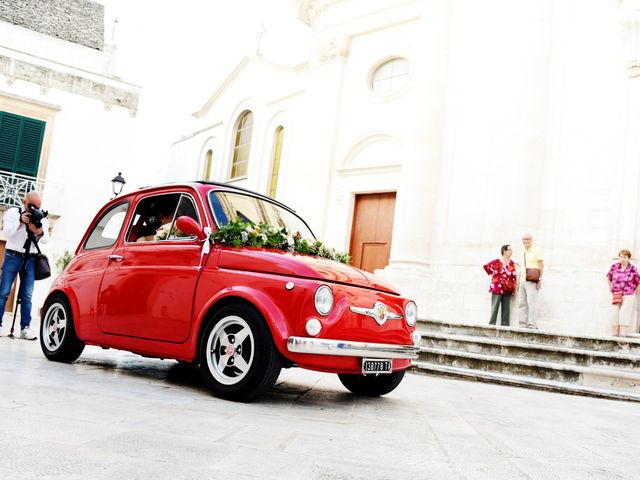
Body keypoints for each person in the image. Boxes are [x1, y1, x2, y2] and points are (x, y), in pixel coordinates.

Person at [0, 191, 49, 339]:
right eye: (32, 205)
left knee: (27, 295)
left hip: (31, 258)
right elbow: (7, 233)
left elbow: (46, 240)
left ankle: (25, 328)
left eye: (38, 206)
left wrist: (39, 232)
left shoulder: (41, 217)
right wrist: (20, 221)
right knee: (3, 292)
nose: (34, 209)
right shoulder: (13, 213)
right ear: (24, 201)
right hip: (12, 255)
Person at [607, 249, 640, 336]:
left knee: (625, 312)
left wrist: (635, 292)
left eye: (624, 257)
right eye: (621, 256)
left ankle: (622, 333)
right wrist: (610, 287)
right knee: (615, 312)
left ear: (629, 258)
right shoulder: (615, 266)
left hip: (628, 293)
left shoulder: (633, 269)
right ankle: (614, 332)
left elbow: (638, 282)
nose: (622, 259)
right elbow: (608, 276)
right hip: (616, 293)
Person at [483, 245, 517, 326]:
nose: (511, 251)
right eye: (509, 250)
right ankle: (491, 324)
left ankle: (505, 326)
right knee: (495, 307)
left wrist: (514, 289)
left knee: (506, 309)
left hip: (508, 288)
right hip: (497, 288)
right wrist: (495, 274)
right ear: (504, 251)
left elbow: (514, 276)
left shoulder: (511, 263)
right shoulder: (496, 262)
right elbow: (486, 267)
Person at [518, 233, 543, 329]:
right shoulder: (522, 253)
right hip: (522, 280)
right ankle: (522, 325)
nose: (526, 241)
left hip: (532, 280)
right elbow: (521, 268)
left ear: (531, 240)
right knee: (521, 303)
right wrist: (518, 282)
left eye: (528, 239)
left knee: (532, 303)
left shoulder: (537, 250)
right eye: (524, 239)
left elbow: (541, 264)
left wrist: (540, 279)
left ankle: (532, 324)